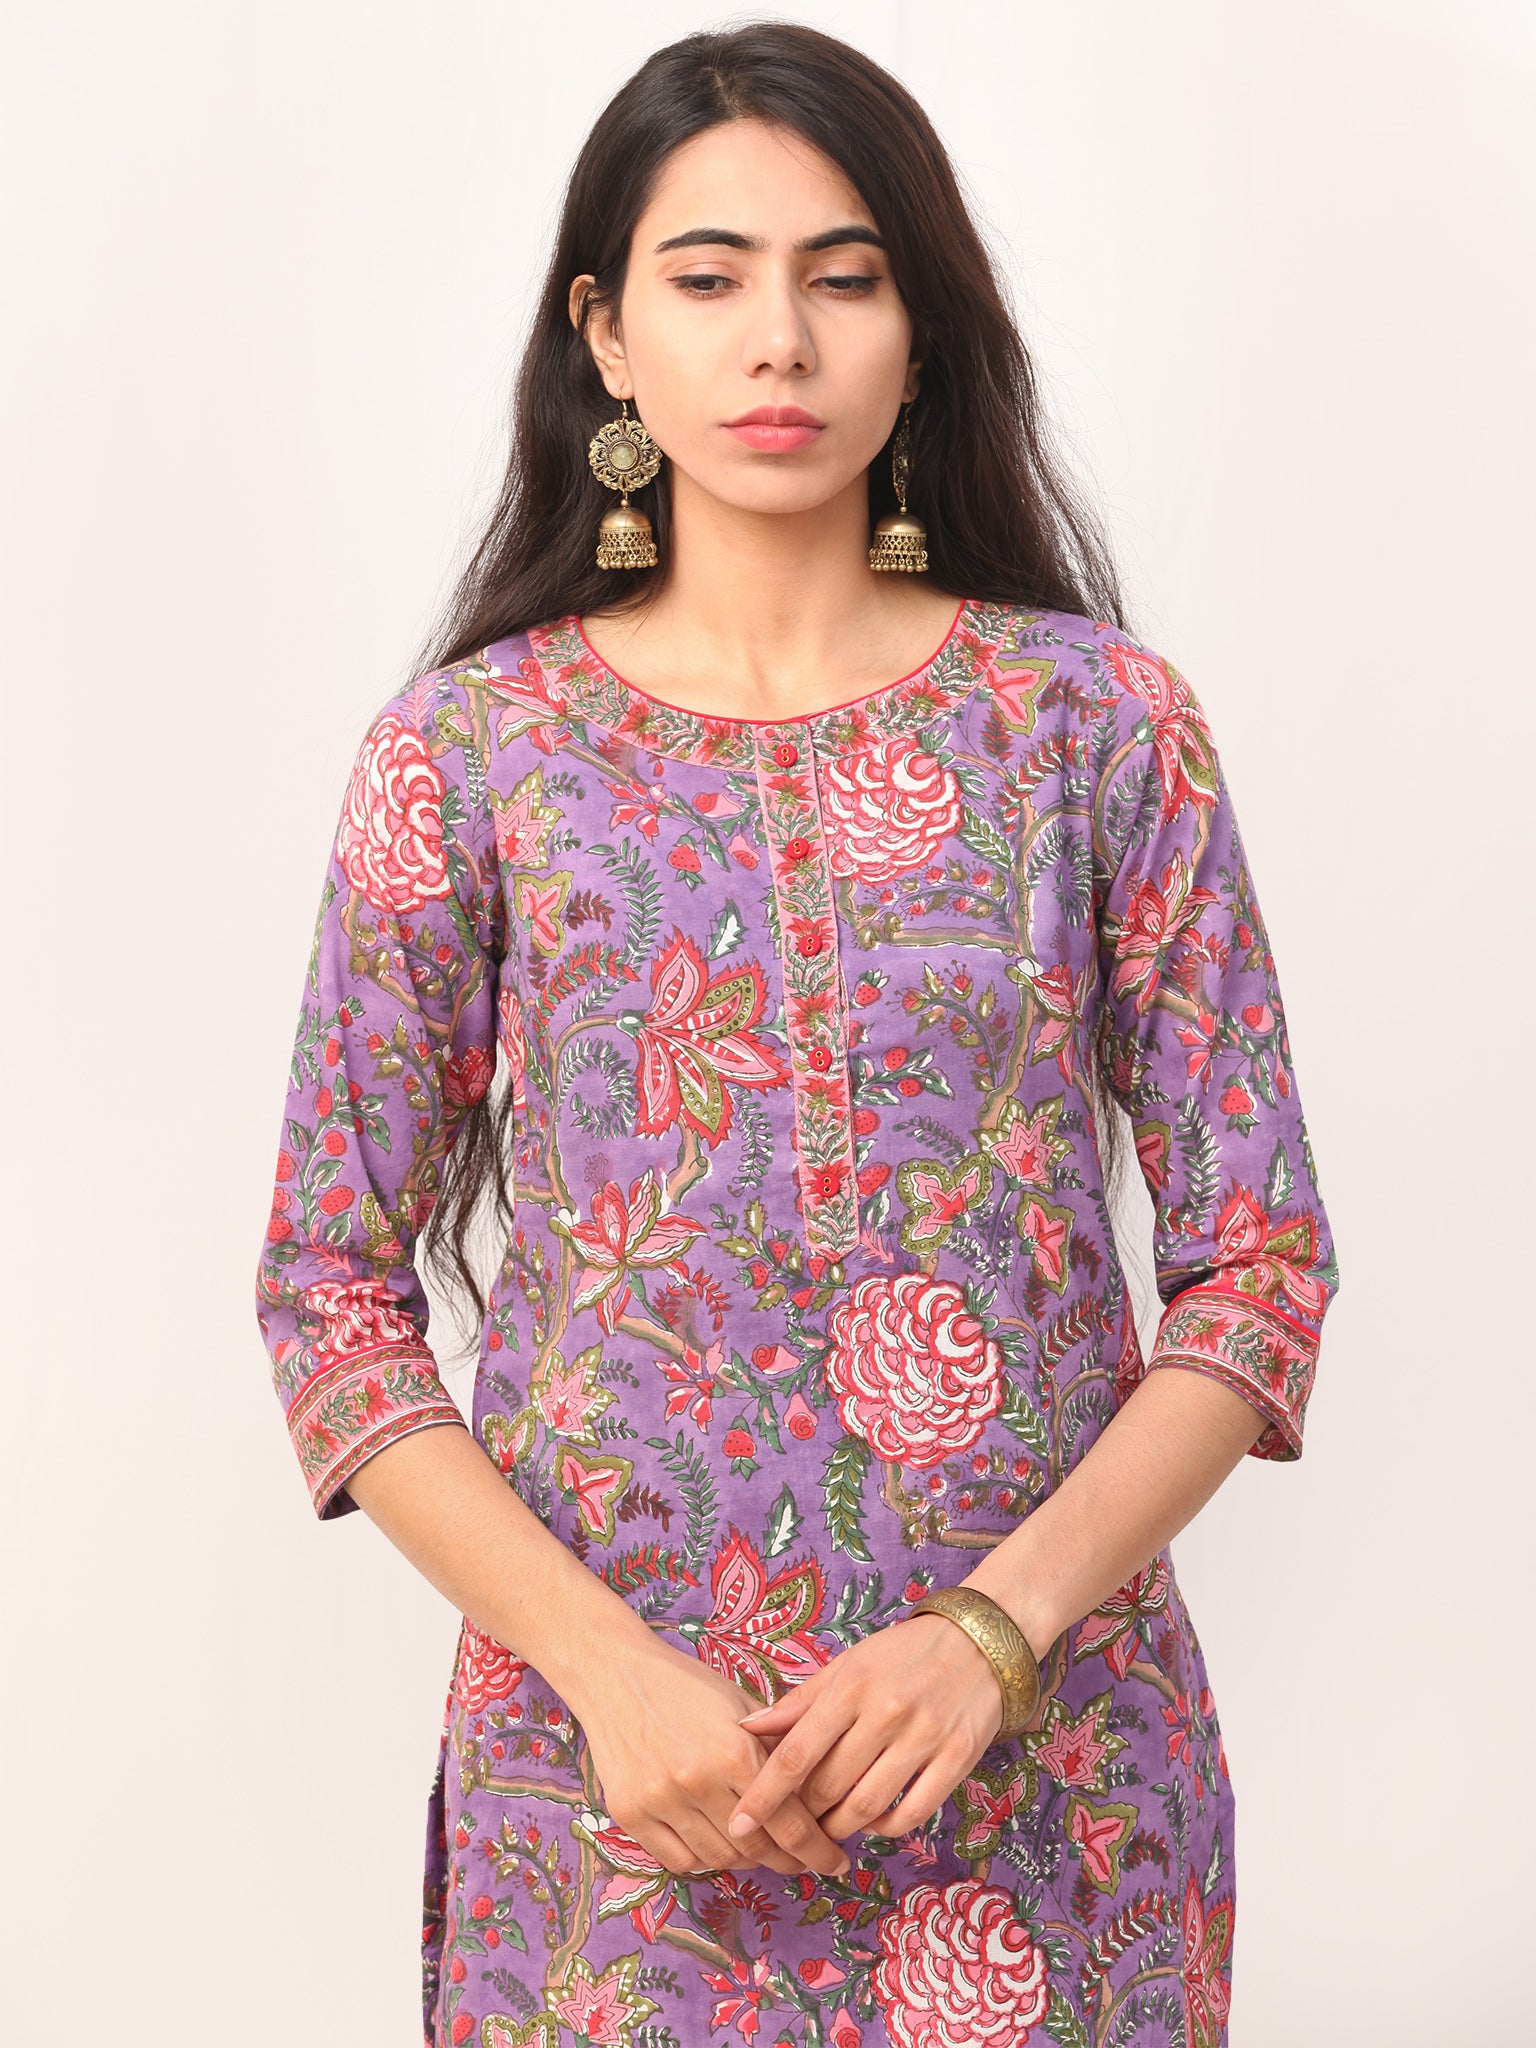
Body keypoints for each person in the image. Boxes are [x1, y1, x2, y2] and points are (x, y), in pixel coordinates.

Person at [253, 22, 1339, 2047]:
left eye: (847, 279)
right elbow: (327, 1292)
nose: (781, 341)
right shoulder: (466, 758)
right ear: (605, 334)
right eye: (709, 277)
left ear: (922, 340)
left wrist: (992, 1636)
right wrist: (605, 1672)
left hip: (1051, 1786)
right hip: (614, 1810)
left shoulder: (1103, 731)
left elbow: (1261, 1273)